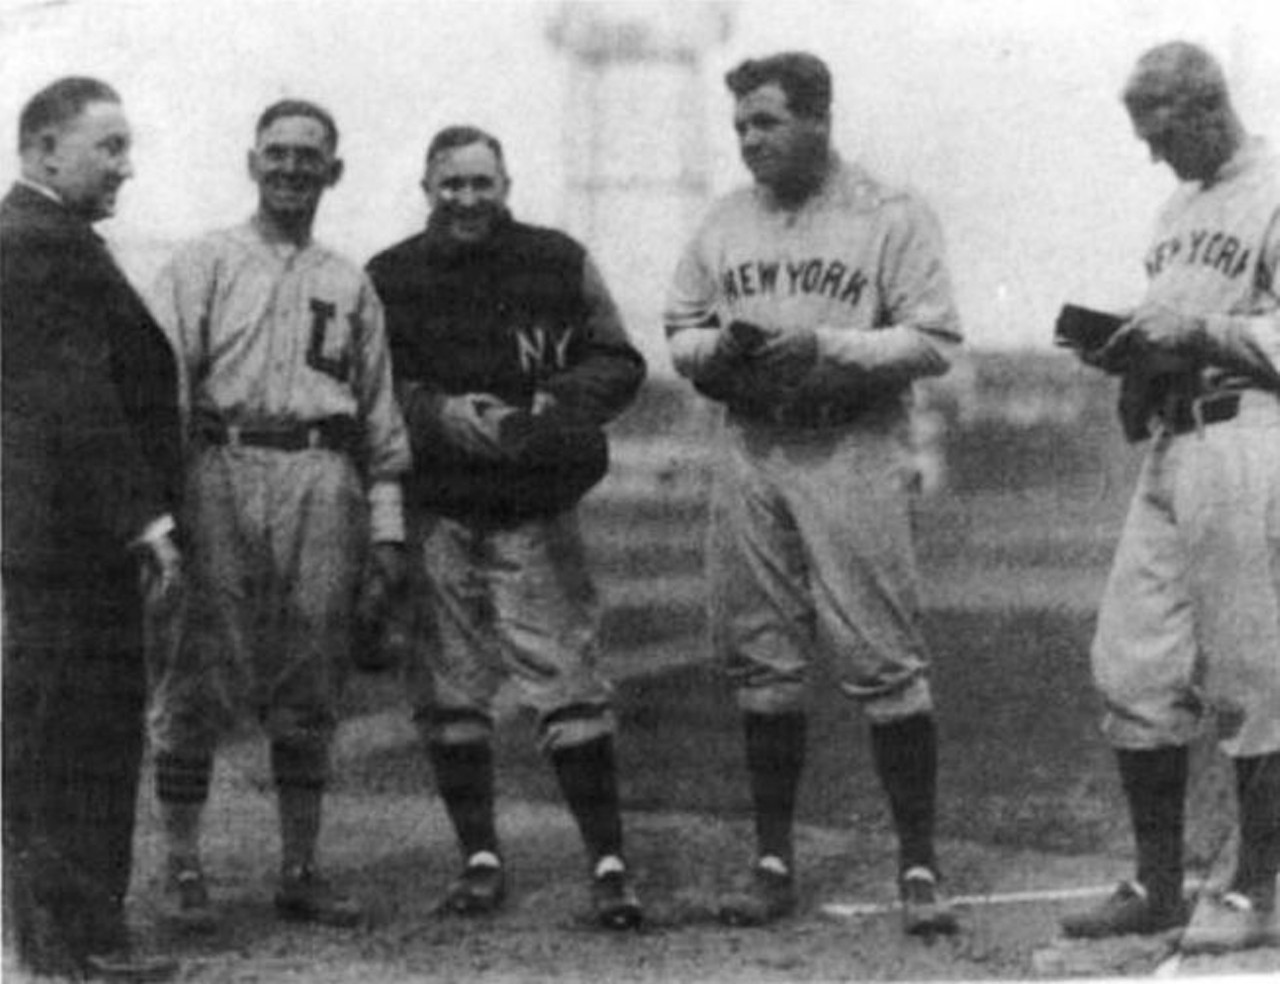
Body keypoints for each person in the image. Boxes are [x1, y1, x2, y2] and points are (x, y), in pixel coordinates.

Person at [663, 52, 963, 935]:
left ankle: (918, 865)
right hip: (753, 443)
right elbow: (680, 327)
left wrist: (829, 347)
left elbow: (934, 337)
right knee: (762, 657)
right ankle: (770, 864)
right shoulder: (724, 222)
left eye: (767, 122)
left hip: (850, 443)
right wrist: (713, 355)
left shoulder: (888, 213)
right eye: (742, 127)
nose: (750, 140)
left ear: (819, 119)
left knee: (883, 656)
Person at [366, 125, 647, 930]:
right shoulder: (389, 275)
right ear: (426, 188)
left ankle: (609, 863)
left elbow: (620, 360)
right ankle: (480, 859)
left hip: (533, 501)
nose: (466, 198)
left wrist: (555, 404)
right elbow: (371, 384)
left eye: (480, 183)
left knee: (567, 678)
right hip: (440, 505)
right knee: (451, 689)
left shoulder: (556, 258)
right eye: (450, 184)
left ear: (506, 184)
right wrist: (439, 413)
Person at [145, 99, 411, 931]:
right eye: (278, 153)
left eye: (310, 157)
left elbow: (378, 417)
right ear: (252, 161)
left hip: (322, 472)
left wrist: (389, 528)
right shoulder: (204, 261)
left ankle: (300, 867)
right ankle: (183, 863)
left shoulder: (348, 278)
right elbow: (161, 390)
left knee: (311, 672)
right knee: (196, 668)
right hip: (218, 465)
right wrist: (163, 506)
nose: (292, 168)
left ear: (333, 172)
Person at [1059, 42, 1280, 954]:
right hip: (1172, 439)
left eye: (1160, 132)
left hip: (1249, 432)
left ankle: (1259, 893)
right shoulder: (1174, 209)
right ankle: (1157, 883)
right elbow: (1172, 328)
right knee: (1132, 663)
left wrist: (1200, 330)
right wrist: (1134, 360)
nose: (1152, 153)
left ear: (1206, 105)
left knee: (1251, 669)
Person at [1, 77, 183, 981]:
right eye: (107, 147)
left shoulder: (50, 238)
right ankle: (70, 951)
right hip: (71, 544)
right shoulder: (37, 244)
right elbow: (76, 397)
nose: (126, 165)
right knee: (73, 737)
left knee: (72, 733)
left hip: (64, 540)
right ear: (43, 150)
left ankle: (67, 944)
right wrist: (145, 517)